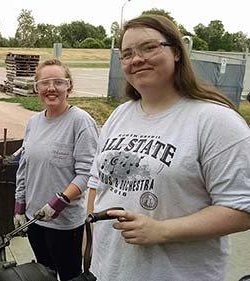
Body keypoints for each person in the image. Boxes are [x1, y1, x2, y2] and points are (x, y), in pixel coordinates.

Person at [87, 15, 250, 281]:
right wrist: (90, 244)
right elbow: (97, 183)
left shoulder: (216, 121)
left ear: (176, 52)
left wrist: (161, 230)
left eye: (149, 47)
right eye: (127, 54)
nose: (136, 59)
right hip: (107, 271)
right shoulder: (120, 115)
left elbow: (241, 210)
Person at [14, 59, 99, 281]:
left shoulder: (81, 122)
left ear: (68, 87)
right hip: (34, 220)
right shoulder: (34, 122)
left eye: (58, 82)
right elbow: (24, 166)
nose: (51, 88)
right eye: (44, 83)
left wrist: (60, 201)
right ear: (37, 88)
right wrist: (19, 205)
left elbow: (87, 174)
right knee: (43, 274)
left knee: (69, 275)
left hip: (64, 225)